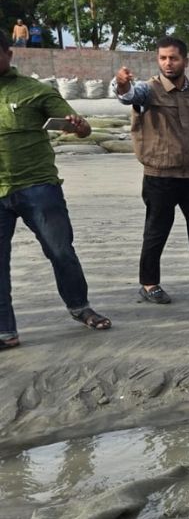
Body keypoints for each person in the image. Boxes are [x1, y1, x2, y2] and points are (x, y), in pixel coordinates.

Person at [0, 35, 111, 349]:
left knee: (60, 251)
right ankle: (5, 331)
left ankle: (80, 307)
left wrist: (78, 126)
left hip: (38, 187)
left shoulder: (35, 90)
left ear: (8, 54)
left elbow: (82, 127)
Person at [113, 36, 189, 305]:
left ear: (186, 61)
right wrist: (121, 85)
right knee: (156, 231)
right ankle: (149, 284)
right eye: (163, 58)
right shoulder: (148, 90)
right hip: (160, 176)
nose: (168, 63)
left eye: (173, 58)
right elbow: (128, 96)